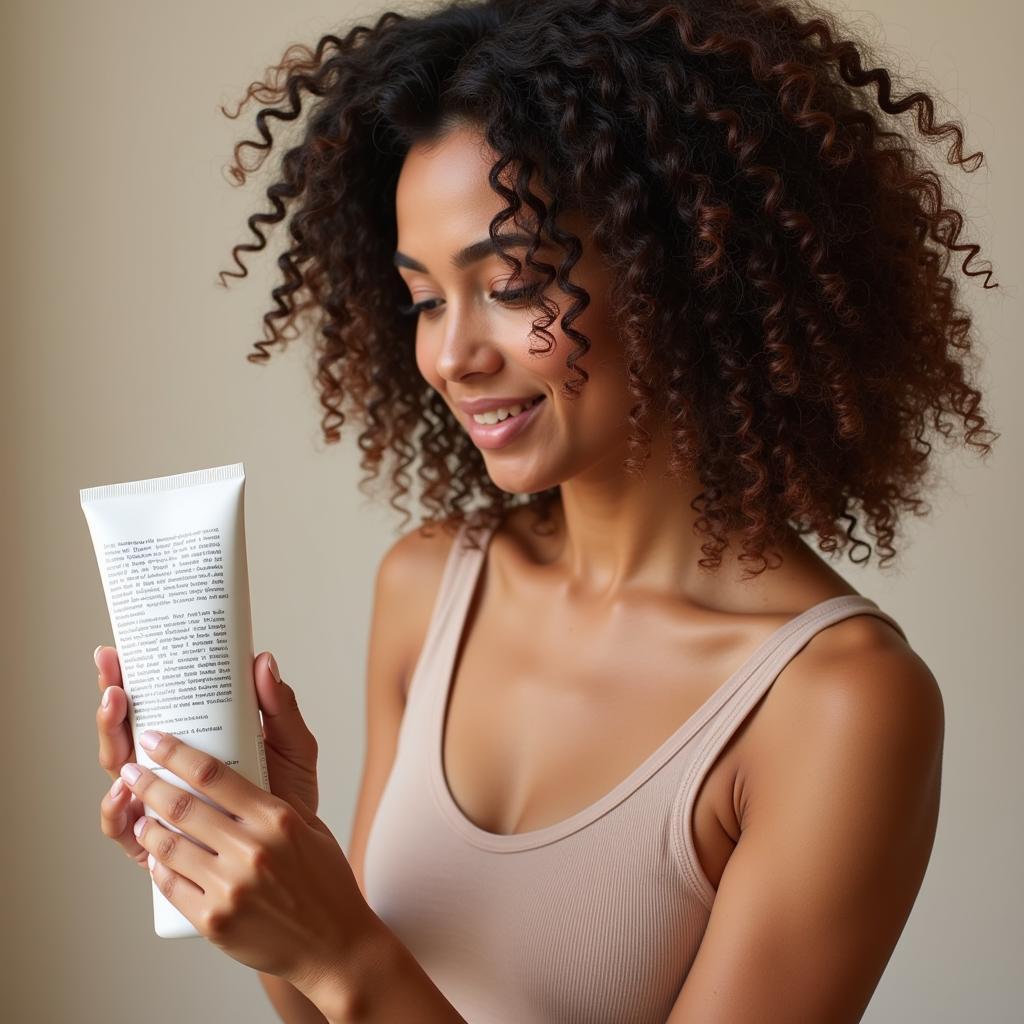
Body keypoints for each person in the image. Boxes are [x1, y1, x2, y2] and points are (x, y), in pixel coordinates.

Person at [96, 0, 998, 1020]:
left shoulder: (834, 706)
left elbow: (360, 979)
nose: (450, 356)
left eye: (515, 283)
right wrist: (280, 893)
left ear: (687, 270)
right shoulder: (430, 584)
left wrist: (343, 946)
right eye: (424, 299)